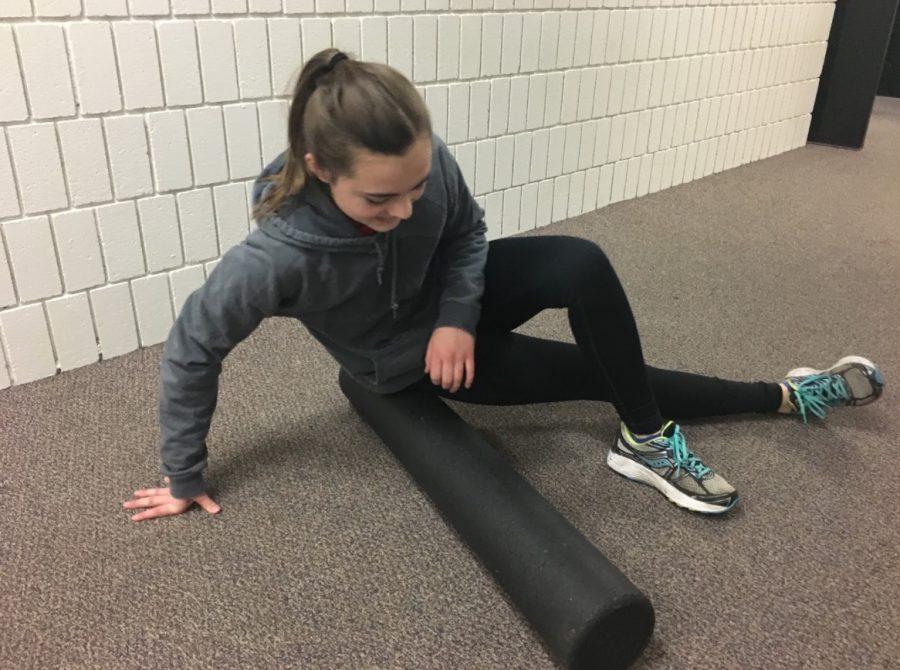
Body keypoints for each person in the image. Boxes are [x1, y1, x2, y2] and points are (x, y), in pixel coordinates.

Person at [123, 49, 884, 522]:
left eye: (414, 187)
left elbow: (464, 232)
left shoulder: (423, 164)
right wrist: (184, 472)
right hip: (405, 360)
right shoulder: (273, 260)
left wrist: (459, 313)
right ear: (320, 170)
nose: (404, 209)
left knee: (580, 263)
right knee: (601, 375)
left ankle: (645, 440)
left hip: (451, 313)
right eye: (378, 201)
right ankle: (778, 397)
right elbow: (193, 350)